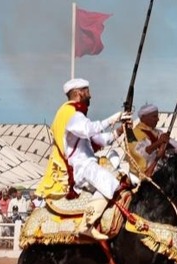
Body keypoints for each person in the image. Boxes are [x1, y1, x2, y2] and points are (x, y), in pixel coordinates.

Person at [35, 78, 128, 240]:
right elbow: (88, 129)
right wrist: (113, 119)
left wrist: (119, 130)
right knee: (111, 182)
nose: (90, 96)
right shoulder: (70, 113)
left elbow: (100, 140)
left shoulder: (76, 114)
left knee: (123, 177)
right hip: (81, 167)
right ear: (79, 93)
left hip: (87, 163)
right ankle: (86, 225)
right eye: (87, 92)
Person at [126, 103, 177, 175]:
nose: (158, 119)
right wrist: (159, 142)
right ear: (144, 118)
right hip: (141, 175)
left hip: (161, 172)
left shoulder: (158, 132)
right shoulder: (134, 134)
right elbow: (141, 153)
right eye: (154, 116)